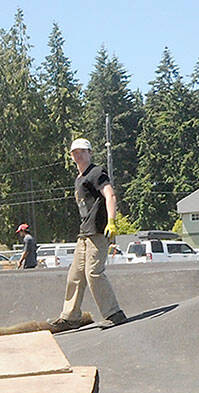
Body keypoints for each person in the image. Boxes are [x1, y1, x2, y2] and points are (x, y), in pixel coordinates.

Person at [49, 138, 126, 330]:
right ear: (72, 157)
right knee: (75, 275)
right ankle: (70, 317)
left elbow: (110, 194)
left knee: (94, 273)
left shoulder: (96, 172)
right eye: (75, 152)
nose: (79, 155)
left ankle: (114, 314)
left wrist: (111, 221)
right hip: (84, 233)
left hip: (98, 231)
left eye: (83, 151)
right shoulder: (79, 179)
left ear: (90, 153)